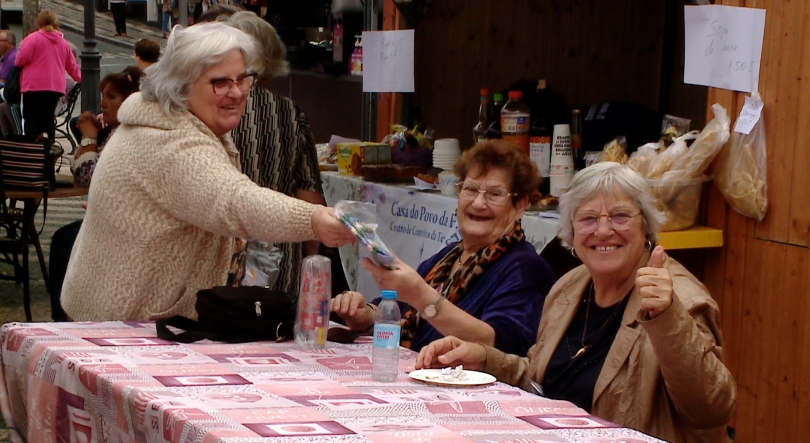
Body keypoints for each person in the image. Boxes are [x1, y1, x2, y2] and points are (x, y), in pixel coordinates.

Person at [416, 162, 736, 443]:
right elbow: (543, 381)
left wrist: (667, 318)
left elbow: (712, 410)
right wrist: (485, 359)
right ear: (571, 232)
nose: (603, 230)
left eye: (620, 216)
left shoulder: (680, 297)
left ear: (646, 227)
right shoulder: (570, 286)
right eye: (587, 219)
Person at [60, 22, 355, 321]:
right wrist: (314, 219)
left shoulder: (182, 123)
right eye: (220, 82)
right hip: (119, 330)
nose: (237, 92)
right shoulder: (170, 141)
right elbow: (234, 201)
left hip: (124, 321)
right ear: (182, 84)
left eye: (243, 79)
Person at [331, 140, 556, 355]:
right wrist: (367, 314)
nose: (478, 203)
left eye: (495, 194)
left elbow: (500, 346)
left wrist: (422, 296)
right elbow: (400, 305)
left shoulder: (526, 268)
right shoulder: (451, 255)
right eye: (470, 189)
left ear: (520, 205)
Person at [214, 11, 324, 295]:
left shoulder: (212, 108)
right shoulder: (290, 113)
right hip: (279, 264)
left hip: (220, 260)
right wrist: (311, 261)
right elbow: (309, 195)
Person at [48, 66, 145, 322]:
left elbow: (90, 175)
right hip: (104, 217)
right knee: (63, 239)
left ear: (130, 100)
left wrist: (89, 138)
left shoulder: (129, 134)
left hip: (124, 225)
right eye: (103, 95)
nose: (102, 103)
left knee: (64, 242)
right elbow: (80, 171)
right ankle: (66, 316)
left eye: (111, 97)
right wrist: (90, 138)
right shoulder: (111, 131)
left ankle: (66, 321)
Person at [14, 9, 81, 141]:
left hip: (33, 86)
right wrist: (81, 78)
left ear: (39, 24)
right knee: (47, 120)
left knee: (30, 120)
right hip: (54, 87)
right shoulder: (63, 43)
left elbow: (20, 60)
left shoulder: (32, 39)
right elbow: (72, 67)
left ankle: (31, 150)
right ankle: (47, 149)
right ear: (55, 25)